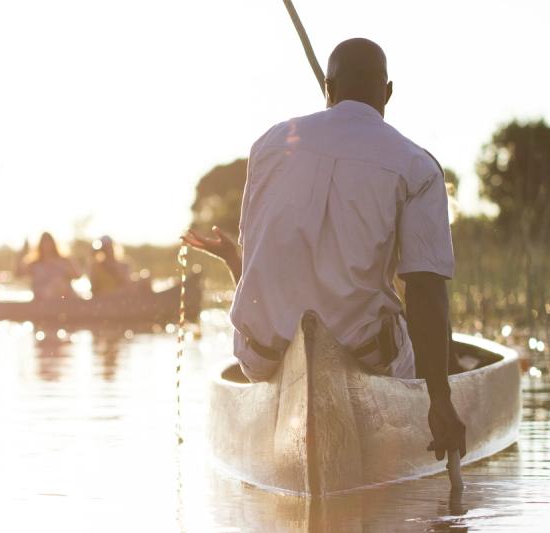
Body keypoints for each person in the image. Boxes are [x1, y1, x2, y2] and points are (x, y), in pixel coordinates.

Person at [182, 38, 465, 464]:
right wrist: (440, 398)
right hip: (365, 355)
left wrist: (235, 260)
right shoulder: (418, 166)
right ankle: (448, 374)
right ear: (387, 93)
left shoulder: (270, 144)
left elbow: (265, 270)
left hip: (263, 354)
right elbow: (425, 288)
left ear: (328, 88)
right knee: (431, 324)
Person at [16, 232, 80, 300]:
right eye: (44, 242)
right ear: (40, 245)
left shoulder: (64, 261)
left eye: (49, 242)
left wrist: (64, 269)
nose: (47, 245)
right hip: (42, 300)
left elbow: (77, 275)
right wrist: (22, 252)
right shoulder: (34, 264)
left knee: (59, 283)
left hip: (64, 299)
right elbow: (18, 274)